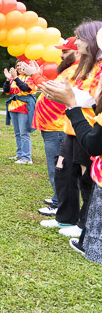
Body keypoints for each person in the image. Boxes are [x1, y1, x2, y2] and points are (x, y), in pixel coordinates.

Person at [39, 20, 102, 239]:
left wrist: (68, 97)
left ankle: (83, 224)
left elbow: (93, 99)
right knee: (63, 172)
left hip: (88, 128)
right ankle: (65, 218)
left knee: (86, 179)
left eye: (81, 38)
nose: (77, 43)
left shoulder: (98, 68)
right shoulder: (85, 65)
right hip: (71, 127)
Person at [22, 37, 79, 216]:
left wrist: (35, 75)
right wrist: (39, 75)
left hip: (57, 127)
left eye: (65, 52)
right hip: (52, 127)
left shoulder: (74, 70)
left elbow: (52, 90)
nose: (61, 55)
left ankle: (59, 204)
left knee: (58, 168)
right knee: (58, 167)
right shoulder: (69, 69)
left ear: (77, 52)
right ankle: (57, 198)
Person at [3, 60, 37, 164]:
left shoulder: (30, 78)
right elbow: (7, 90)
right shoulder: (15, 78)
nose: (18, 67)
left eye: (21, 65)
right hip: (13, 107)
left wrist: (15, 78)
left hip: (24, 107)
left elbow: (25, 88)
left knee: (24, 133)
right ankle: (20, 154)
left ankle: (26, 157)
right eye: (17, 65)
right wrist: (8, 79)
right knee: (17, 133)